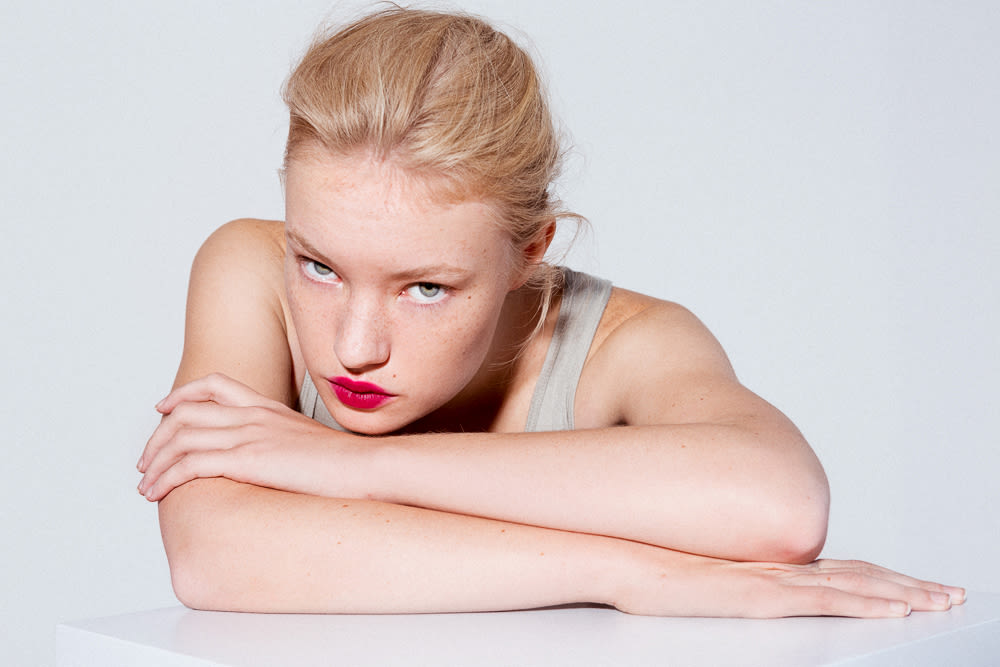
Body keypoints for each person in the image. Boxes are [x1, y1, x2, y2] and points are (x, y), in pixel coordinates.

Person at [137, 7, 963, 617]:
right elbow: (214, 557)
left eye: (426, 287)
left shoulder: (628, 341)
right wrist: (628, 570)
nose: (354, 348)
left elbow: (780, 504)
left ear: (530, 251)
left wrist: (347, 466)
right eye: (318, 264)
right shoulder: (245, 266)